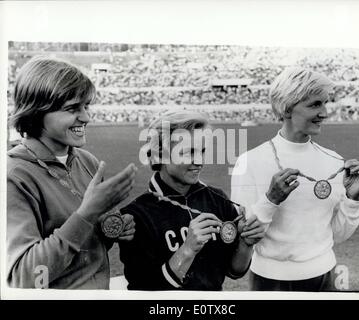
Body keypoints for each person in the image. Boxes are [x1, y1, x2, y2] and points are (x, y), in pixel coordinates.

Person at [231, 67, 359, 291]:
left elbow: (337, 234)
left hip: (325, 277)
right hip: (269, 280)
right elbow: (244, 235)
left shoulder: (335, 162)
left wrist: (352, 201)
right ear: (287, 109)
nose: (325, 112)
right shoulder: (249, 162)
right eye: (315, 104)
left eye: (326, 103)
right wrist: (271, 199)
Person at [7, 56, 137, 289]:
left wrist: (110, 230)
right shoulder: (14, 176)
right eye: (72, 109)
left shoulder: (87, 162)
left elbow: (85, 254)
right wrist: (87, 214)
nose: (86, 117)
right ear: (36, 113)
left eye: (86, 106)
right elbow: (24, 279)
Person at [119, 110, 265, 290]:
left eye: (202, 151)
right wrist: (187, 249)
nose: (199, 161)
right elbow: (144, 289)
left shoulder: (217, 199)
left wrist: (246, 244)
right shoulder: (135, 216)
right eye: (188, 152)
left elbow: (234, 270)